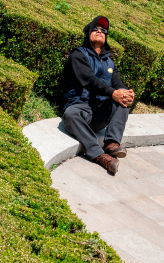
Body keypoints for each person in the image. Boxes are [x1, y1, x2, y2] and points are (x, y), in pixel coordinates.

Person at [63, 16, 134, 175]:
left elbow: (118, 83)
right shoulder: (78, 55)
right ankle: (100, 155)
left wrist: (126, 93)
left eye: (103, 30)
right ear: (88, 32)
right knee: (70, 114)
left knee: (123, 99)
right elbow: (89, 80)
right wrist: (112, 92)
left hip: (100, 114)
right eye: (95, 28)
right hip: (81, 110)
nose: (99, 31)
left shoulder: (110, 63)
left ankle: (111, 143)